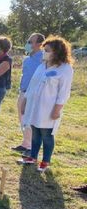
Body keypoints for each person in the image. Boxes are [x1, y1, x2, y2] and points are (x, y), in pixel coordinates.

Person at [19, 36, 74, 172]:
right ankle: (32, 157)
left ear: (57, 52)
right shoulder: (42, 65)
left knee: (46, 135)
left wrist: (57, 110)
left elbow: (64, 92)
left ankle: (45, 162)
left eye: (47, 50)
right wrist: (25, 101)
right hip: (34, 105)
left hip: (48, 109)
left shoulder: (65, 69)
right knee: (35, 132)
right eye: (44, 50)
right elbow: (32, 85)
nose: (44, 53)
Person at [11, 33, 45, 156]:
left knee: (31, 120)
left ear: (39, 44)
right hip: (23, 92)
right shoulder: (27, 59)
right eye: (28, 41)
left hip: (35, 94)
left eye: (31, 42)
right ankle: (26, 143)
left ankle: (32, 147)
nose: (28, 44)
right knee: (22, 117)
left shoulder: (44, 59)